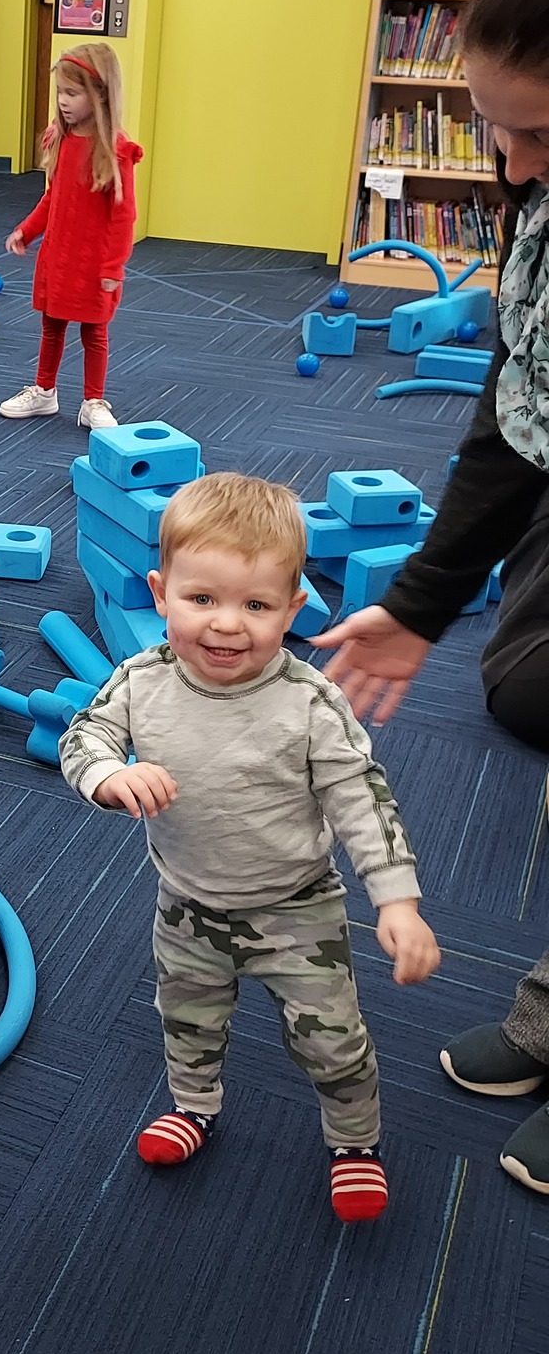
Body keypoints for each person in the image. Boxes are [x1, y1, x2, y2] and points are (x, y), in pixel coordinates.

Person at [312, 0, 549, 1198]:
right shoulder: (537, 217)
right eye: (490, 126)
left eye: (542, 133)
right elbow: (515, 411)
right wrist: (417, 604)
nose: (509, 168)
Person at [60, 473, 440, 1222]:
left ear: (293, 609)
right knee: (188, 1018)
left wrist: (396, 899)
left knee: (333, 1041)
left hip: (298, 910)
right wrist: (106, 774)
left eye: (257, 606)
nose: (227, 626)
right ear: (161, 591)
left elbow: (361, 797)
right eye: (202, 600)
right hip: (187, 904)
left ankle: (354, 1142)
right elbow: (86, 735)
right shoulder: (140, 678)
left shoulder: (309, 702)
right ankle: (194, 1106)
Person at [0, 43, 141, 432]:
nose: (62, 101)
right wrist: (26, 230)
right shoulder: (60, 140)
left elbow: (123, 216)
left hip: (93, 262)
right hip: (59, 255)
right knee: (52, 324)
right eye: (60, 91)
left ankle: (93, 400)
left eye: (72, 93)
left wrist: (113, 265)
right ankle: (44, 392)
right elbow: (53, 199)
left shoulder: (116, 151)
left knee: (94, 331)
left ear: (100, 95)